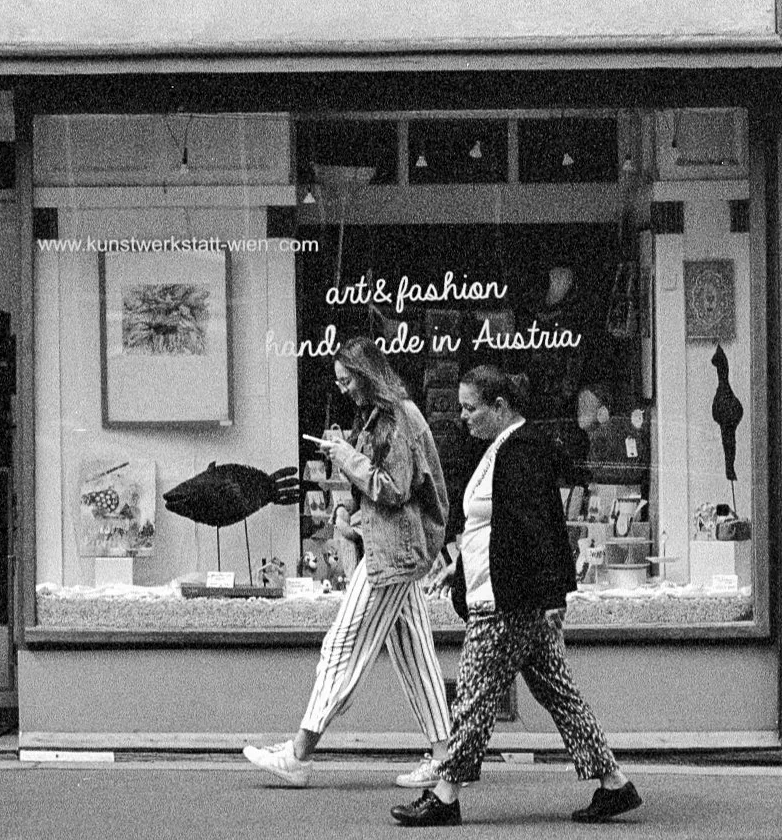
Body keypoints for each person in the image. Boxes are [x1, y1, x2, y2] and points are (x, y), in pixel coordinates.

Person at [390, 365, 640, 827]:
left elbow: (535, 527)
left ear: (499, 406)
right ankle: (614, 784)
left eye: (471, 408)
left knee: (472, 694)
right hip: (513, 595)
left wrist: (548, 596)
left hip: (508, 601)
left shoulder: (519, 451)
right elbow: (495, 528)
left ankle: (445, 796)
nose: (464, 417)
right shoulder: (503, 448)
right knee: (560, 694)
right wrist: (459, 567)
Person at [244, 337, 456, 791]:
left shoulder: (399, 416)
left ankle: (298, 754)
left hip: (392, 555)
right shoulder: (389, 415)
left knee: (342, 646)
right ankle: (446, 757)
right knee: (416, 655)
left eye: (346, 380)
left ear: (366, 375)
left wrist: (347, 458)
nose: (342, 390)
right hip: (398, 550)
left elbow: (394, 487)